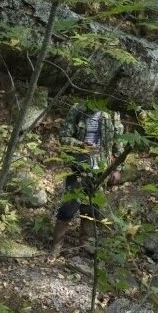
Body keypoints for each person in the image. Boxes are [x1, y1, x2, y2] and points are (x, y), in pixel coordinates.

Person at [49, 103, 123, 258]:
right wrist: (81, 145)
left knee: (91, 207)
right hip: (79, 166)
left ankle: (85, 243)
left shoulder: (112, 112)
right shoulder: (78, 108)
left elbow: (118, 142)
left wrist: (117, 169)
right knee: (69, 206)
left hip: (101, 168)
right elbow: (63, 136)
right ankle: (57, 246)